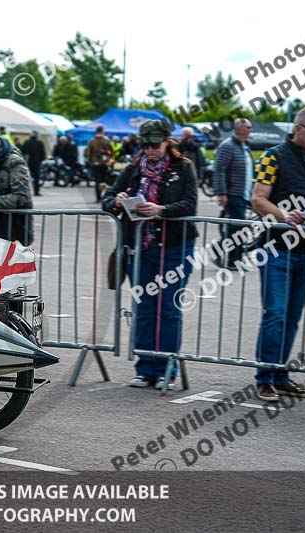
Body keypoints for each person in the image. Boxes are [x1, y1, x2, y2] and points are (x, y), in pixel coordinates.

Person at [249, 106, 305, 402]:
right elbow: (258, 199)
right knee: (274, 314)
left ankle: (280, 375)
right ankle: (264, 378)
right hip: (275, 248)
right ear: (298, 128)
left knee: (291, 317)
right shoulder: (273, 156)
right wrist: (284, 215)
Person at [102, 120, 198, 389]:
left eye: (155, 144)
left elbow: (190, 204)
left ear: (168, 142)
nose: (150, 149)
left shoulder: (184, 167)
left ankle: (167, 366)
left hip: (175, 247)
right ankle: (145, 368)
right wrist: (118, 201)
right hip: (140, 248)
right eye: (144, 145)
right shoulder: (134, 168)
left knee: (168, 308)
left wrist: (161, 209)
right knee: (143, 307)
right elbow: (107, 198)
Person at [213, 118, 254, 267]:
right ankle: (225, 254)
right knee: (237, 228)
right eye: (248, 127)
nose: (251, 130)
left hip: (244, 194)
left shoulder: (244, 147)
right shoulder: (227, 146)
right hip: (232, 194)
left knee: (237, 228)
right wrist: (222, 193)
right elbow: (220, 170)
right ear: (239, 128)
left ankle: (234, 259)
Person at [85, 125, 113, 202]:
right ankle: (105, 196)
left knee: (97, 181)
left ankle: (98, 198)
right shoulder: (106, 141)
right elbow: (110, 152)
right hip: (104, 163)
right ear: (102, 131)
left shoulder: (92, 141)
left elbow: (89, 153)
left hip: (95, 164)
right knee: (105, 181)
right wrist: (107, 157)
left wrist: (91, 162)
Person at [21, 131, 47, 196]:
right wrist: (41, 160)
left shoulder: (27, 142)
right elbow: (43, 153)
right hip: (36, 163)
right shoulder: (39, 143)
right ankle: (36, 191)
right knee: (36, 178)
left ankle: (24, 192)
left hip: (28, 162)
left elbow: (22, 151)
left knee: (25, 177)